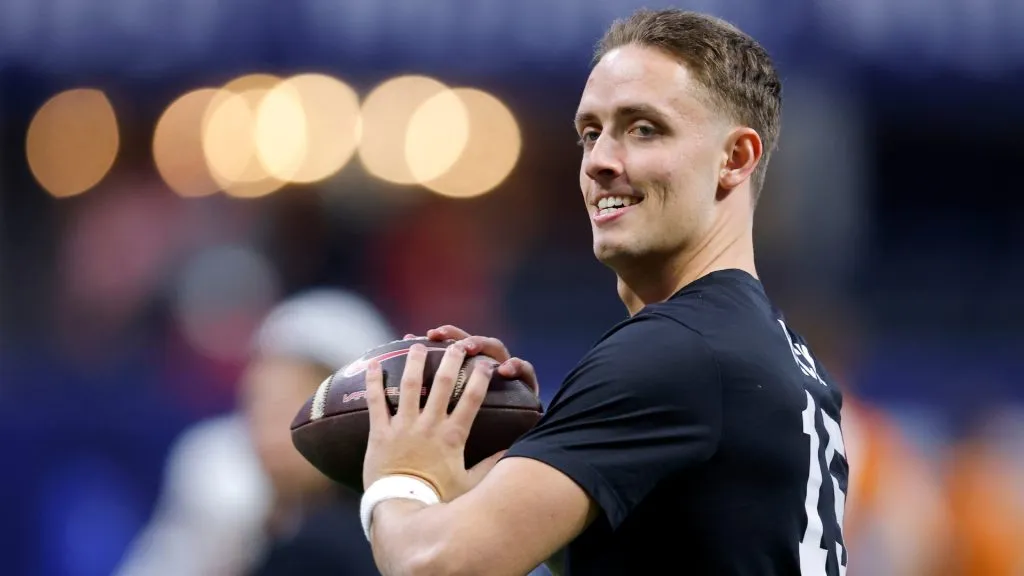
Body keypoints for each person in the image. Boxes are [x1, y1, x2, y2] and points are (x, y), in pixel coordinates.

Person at [356, 8, 849, 576]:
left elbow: (430, 565)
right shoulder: (781, 357)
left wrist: (401, 478)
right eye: (591, 133)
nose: (599, 162)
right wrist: (538, 461)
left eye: (643, 129)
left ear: (734, 159)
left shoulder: (673, 353)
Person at [116, 288, 394, 576]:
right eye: (257, 405)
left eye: (290, 406)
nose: (267, 432)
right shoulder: (238, 514)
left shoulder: (346, 546)